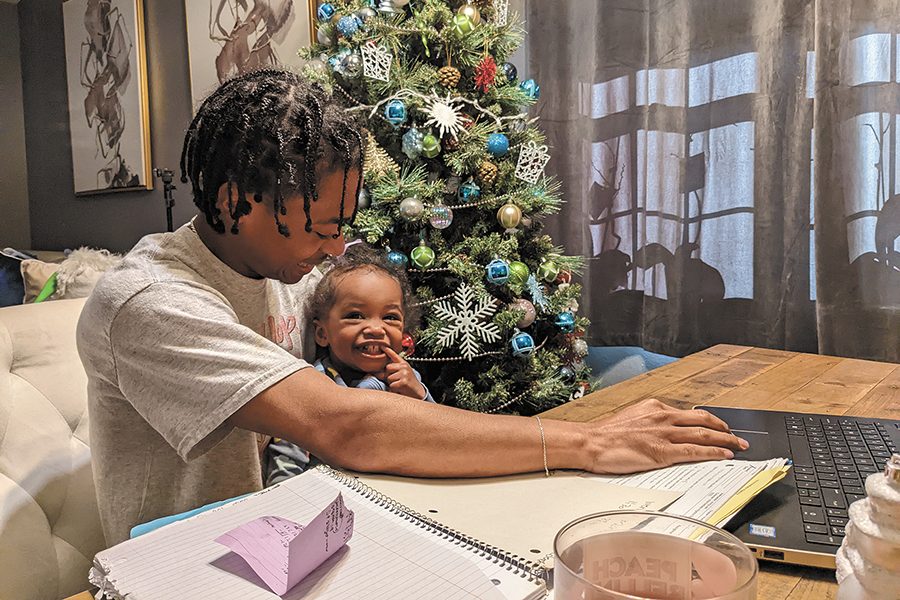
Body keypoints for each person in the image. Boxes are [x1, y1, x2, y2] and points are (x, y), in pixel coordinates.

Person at [77, 68, 748, 547]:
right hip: (182, 564)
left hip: (296, 538)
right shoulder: (146, 300)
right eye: (317, 226)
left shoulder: (287, 266)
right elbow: (345, 425)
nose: (336, 246)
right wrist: (588, 442)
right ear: (233, 197)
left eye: (342, 222)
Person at [264, 242, 434, 485]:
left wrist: (420, 396)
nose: (376, 328)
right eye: (355, 316)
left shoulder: (407, 380)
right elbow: (285, 465)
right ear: (322, 333)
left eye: (390, 317)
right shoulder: (311, 387)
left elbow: (439, 438)